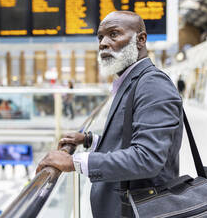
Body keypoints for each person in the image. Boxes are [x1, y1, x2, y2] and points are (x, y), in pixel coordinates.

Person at [36, 11, 183, 217]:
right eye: (100, 37)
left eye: (114, 34)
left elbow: (147, 158)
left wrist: (74, 162)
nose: (103, 43)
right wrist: (89, 140)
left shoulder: (152, 84)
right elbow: (129, 138)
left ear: (140, 40)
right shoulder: (132, 82)